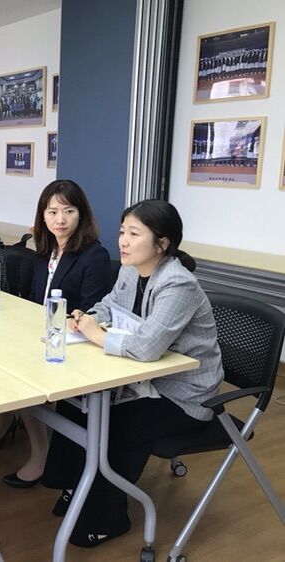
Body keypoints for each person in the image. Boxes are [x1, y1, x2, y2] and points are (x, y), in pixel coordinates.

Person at [41, 199, 223, 547]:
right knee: (75, 404)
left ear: (162, 243)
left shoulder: (178, 284)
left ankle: (107, 518)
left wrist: (95, 334)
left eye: (134, 234)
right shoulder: (130, 269)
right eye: (123, 232)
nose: (123, 241)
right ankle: (72, 486)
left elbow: (146, 347)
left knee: (113, 425)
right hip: (143, 379)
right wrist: (86, 318)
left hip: (182, 395)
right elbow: (110, 305)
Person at [0, 180, 112, 488]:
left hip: (75, 345)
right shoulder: (45, 251)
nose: (60, 219)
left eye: (69, 211)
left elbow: (93, 311)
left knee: (21, 377)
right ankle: (13, 426)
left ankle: (41, 455)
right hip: (43, 337)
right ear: (43, 215)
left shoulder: (94, 255)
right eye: (53, 211)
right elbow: (36, 301)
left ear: (81, 214)